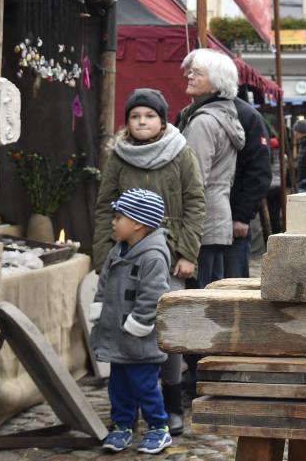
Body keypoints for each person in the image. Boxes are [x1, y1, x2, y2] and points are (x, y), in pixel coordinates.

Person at [92, 88, 204, 436]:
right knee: (123, 327)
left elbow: (195, 203)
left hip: (167, 256)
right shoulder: (118, 157)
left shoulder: (181, 153)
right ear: (127, 122)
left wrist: (187, 253)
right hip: (124, 255)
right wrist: (102, 256)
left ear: (162, 120)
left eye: (149, 116)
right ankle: (128, 410)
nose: (142, 121)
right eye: (135, 116)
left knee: (163, 331)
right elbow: (104, 206)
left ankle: (170, 405)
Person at [90, 189, 173, 454]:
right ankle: (122, 426)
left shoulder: (153, 257)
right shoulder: (118, 250)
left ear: (137, 223)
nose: (113, 222)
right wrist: (99, 312)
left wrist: (137, 323)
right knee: (119, 385)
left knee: (144, 385)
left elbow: (153, 296)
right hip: (116, 335)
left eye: (118, 217)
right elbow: (103, 284)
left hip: (139, 339)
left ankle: (159, 427)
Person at [176, 49, 246, 288]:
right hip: (216, 218)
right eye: (190, 71)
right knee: (212, 293)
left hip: (201, 224)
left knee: (198, 296)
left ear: (217, 83)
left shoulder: (204, 122)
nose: (190, 76)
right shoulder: (223, 115)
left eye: (198, 73)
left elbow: (192, 180)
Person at [228, 93, 272, 274]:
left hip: (235, 215)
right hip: (206, 218)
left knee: (233, 278)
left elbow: (260, 171)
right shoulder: (190, 112)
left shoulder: (247, 115)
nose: (190, 77)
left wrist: (242, 216)